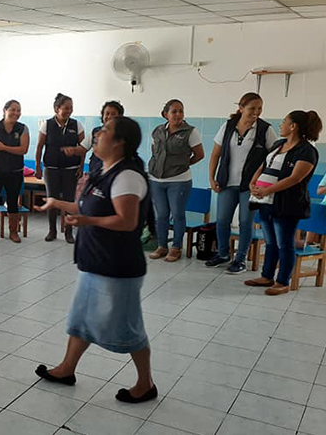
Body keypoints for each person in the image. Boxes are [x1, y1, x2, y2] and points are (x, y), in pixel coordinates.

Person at [33, 116, 156, 404]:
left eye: (106, 130)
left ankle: (145, 383)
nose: (98, 133)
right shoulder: (103, 170)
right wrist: (57, 203)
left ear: (119, 142)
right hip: (95, 260)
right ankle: (67, 369)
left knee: (128, 327)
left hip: (118, 266)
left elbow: (127, 221)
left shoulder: (127, 176)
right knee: (81, 320)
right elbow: (85, 205)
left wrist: (87, 221)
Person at [246, 110, 321, 296]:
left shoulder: (307, 151)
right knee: (270, 241)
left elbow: (295, 178)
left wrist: (267, 190)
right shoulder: (279, 144)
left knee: (284, 243)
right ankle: (267, 276)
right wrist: (253, 183)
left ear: (293, 126)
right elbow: (264, 166)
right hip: (265, 201)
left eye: (284, 121)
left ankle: (282, 281)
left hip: (287, 204)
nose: (281, 124)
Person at [206, 93, 277, 274]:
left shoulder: (265, 130)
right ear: (241, 108)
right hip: (227, 182)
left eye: (259, 108)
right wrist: (212, 178)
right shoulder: (228, 126)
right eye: (252, 108)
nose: (256, 112)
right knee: (222, 220)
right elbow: (215, 154)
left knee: (245, 221)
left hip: (250, 185)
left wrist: (263, 182)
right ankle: (223, 254)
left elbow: (273, 158)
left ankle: (241, 259)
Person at [147, 99, 205, 262]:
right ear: (166, 114)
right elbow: (155, 152)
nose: (178, 114)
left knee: (178, 214)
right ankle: (162, 246)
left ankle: (176, 247)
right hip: (156, 180)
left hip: (179, 180)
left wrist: (182, 165)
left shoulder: (190, 132)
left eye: (181, 111)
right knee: (161, 215)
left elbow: (199, 155)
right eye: (174, 111)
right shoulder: (157, 131)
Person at [35, 93, 85, 243]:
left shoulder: (76, 125)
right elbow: (39, 147)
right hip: (51, 168)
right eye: (66, 108)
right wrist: (38, 166)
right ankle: (52, 231)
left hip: (71, 169)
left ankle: (68, 233)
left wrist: (81, 167)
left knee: (69, 200)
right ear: (57, 109)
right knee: (52, 199)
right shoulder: (47, 125)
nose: (69, 111)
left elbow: (83, 148)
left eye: (71, 108)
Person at [0, 100, 29, 244]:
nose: (16, 113)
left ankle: (13, 232)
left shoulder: (23, 128)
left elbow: (23, 149)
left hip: (15, 172)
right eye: (13, 110)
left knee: (13, 202)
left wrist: (4, 147)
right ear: (4, 110)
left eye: (18, 110)